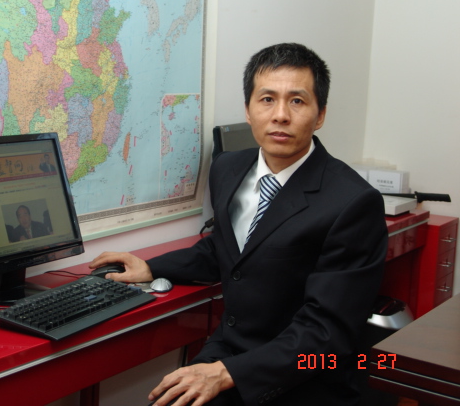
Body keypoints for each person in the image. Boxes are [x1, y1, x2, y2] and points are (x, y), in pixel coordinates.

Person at [89, 43, 388, 406]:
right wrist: (152, 267)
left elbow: (327, 333)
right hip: (230, 350)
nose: (280, 115)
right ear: (248, 109)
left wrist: (227, 373)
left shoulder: (353, 203)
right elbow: (226, 247)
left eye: (297, 101)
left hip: (304, 375)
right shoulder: (228, 168)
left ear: (320, 114)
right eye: (267, 99)